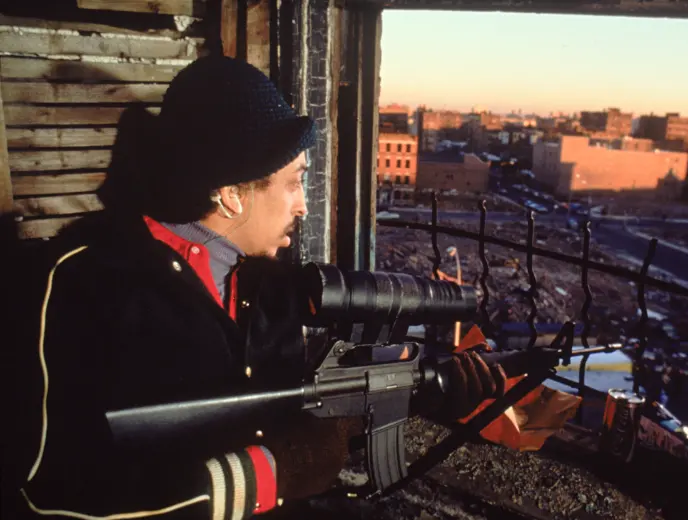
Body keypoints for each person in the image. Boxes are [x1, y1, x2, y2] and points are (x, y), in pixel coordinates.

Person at [0, 55, 506, 520]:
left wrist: (423, 396)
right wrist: (267, 476)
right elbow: (42, 495)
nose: (302, 205)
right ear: (231, 194)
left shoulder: (265, 285)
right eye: (293, 183)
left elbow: (297, 433)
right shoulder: (77, 285)